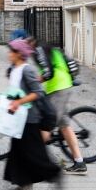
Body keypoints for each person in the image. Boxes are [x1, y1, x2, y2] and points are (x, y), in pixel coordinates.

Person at [3, 38, 60, 190]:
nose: (8, 54)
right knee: (18, 152)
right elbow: (15, 91)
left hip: (29, 118)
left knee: (33, 154)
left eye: (11, 51)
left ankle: (54, 173)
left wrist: (19, 102)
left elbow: (38, 93)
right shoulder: (15, 69)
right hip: (18, 117)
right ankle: (24, 186)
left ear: (19, 54)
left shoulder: (27, 70)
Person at [27, 37, 87, 175]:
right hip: (62, 86)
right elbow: (50, 68)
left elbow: (48, 73)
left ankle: (34, 162)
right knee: (64, 125)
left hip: (58, 88)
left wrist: (34, 82)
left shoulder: (39, 50)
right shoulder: (49, 48)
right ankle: (79, 162)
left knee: (47, 125)